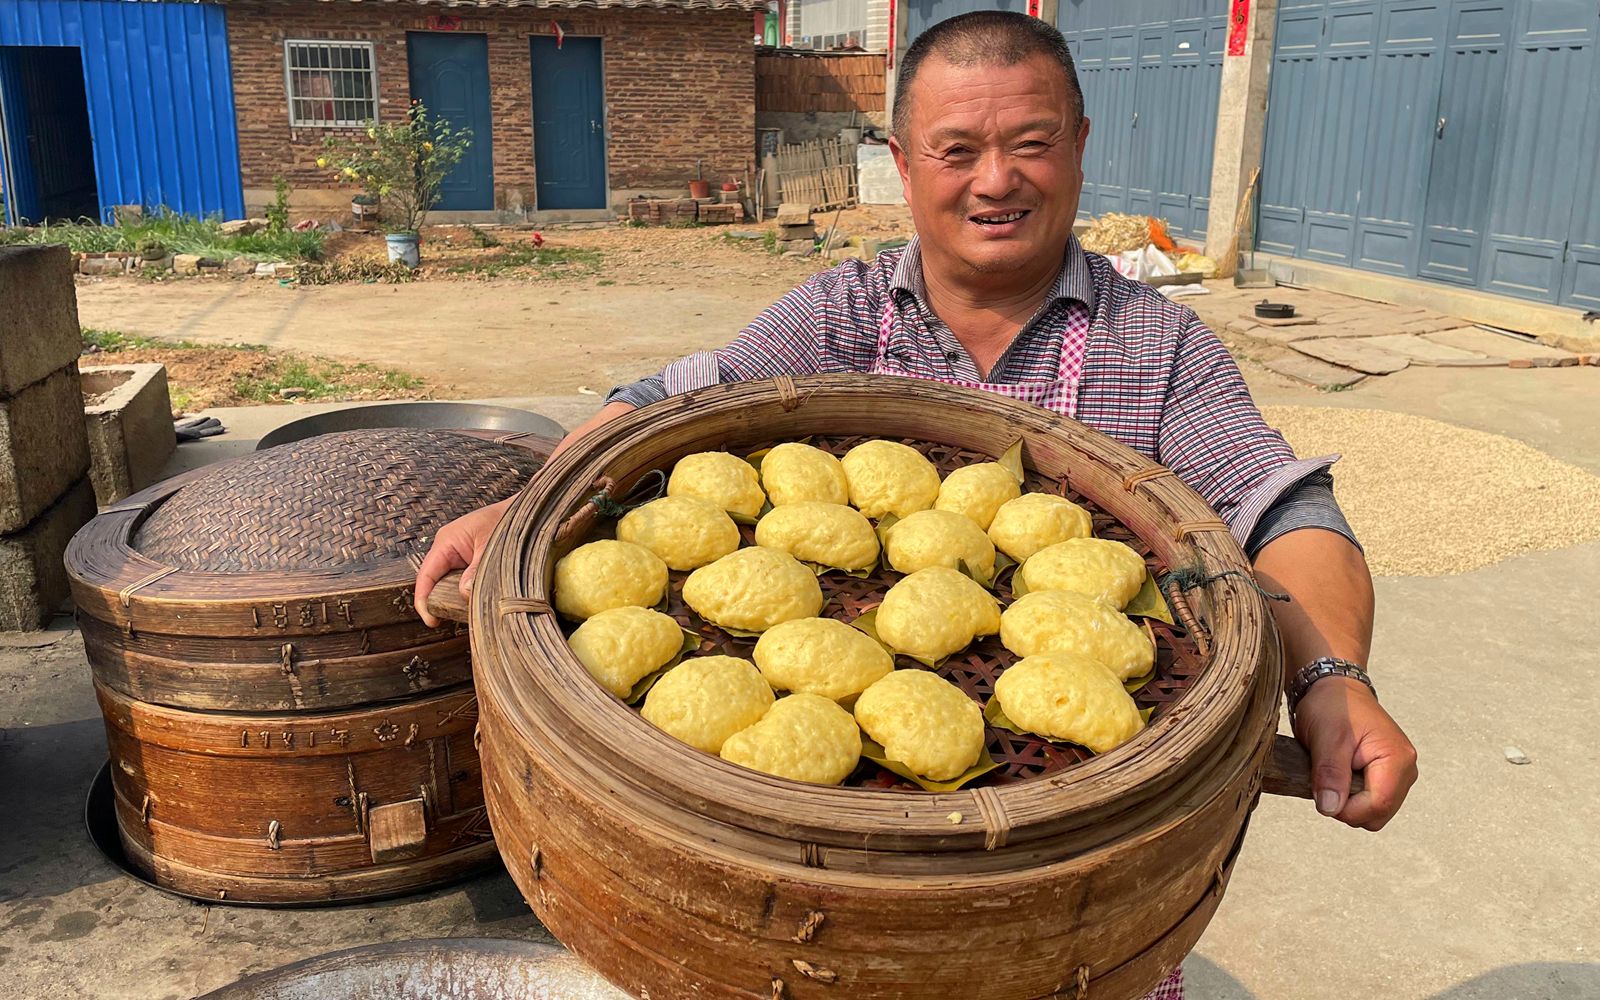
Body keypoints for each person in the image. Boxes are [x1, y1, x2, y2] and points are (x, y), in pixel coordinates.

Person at [416, 12, 1417, 995]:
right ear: (903, 162)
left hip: (1066, 897)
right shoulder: (839, 315)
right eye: (957, 149)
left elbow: (1278, 507)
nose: (995, 179)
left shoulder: (1157, 348)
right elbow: (659, 404)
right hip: (791, 911)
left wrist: (1329, 680)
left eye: (1030, 143)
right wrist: (522, 509)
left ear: (1078, 147)